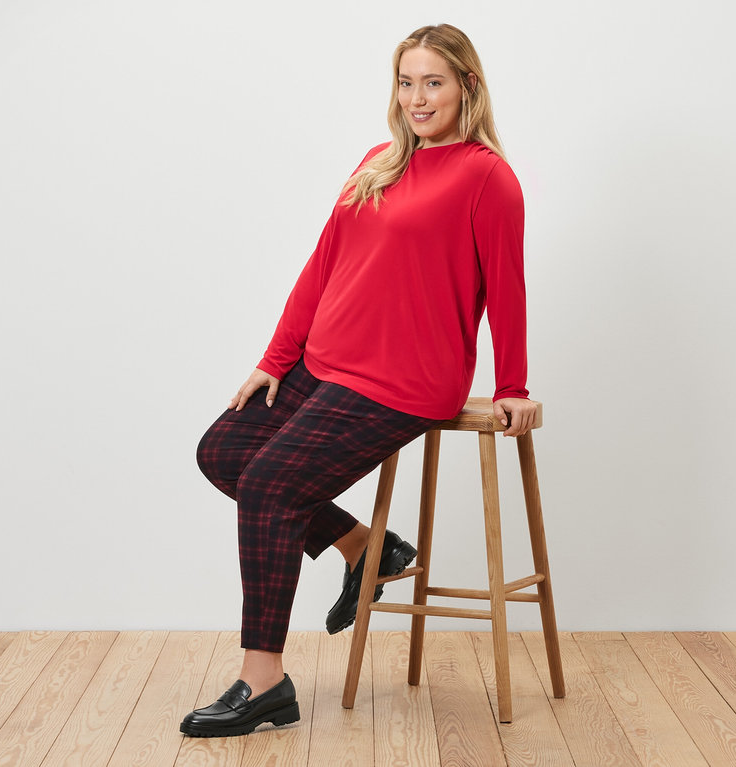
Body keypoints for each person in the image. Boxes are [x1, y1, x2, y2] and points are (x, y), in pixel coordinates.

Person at [179, 22, 538, 738]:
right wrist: (275, 358)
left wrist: (513, 386)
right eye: (406, 83)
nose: (417, 98)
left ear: (467, 85)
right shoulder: (378, 161)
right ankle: (365, 548)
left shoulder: (487, 177)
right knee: (222, 452)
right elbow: (323, 265)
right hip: (325, 360)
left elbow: (507, 287)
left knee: (270, 483)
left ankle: (264, 681)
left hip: (404, 379)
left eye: (432, 82)